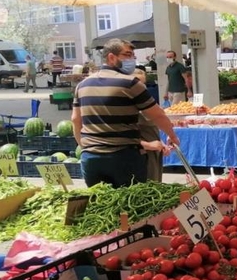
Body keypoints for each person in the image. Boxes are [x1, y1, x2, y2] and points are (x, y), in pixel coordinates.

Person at [72, 39, 179, 188]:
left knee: (101, 205)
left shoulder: (82, 85)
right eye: (127, 55)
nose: (132, 60)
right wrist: (172, 136)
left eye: (133, 56)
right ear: (111, 57)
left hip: (91, 159)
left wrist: (85, 148)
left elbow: (76, 120)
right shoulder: (131, 84)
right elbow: (157, 115)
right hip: (123, 157)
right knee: (132, 206)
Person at [133, 66, 171, 182]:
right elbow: (124, 137)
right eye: (137, 83)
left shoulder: (146, 104)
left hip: (153, 155)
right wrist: (149, 145)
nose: (142, 87)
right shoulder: (128, 108)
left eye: (143, 83)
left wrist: (162, 144)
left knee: (155, 184)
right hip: (140, 155)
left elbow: (152, 129)